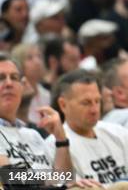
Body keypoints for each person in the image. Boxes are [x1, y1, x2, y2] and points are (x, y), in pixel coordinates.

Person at [54, 69, 128, 189]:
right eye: (86, 103)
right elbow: (73, 187)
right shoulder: (58, 145)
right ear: (63, 105)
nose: (94, 110)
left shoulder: (118, 132)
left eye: (97, 101)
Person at [0, 54, 73, 183]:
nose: (9, 83)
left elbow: (65, 179)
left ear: (22, 86)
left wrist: (61, 139)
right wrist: (51, 181)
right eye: (1, 78)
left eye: (14, 78)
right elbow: (9, 178)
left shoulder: (33, 135)